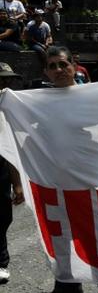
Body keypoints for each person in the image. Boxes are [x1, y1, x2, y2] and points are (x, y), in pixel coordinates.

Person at [44, 46, 98, 292]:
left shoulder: (94, 97)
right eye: (53, 66)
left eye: (63, 64)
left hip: (92, 188)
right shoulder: (36, 103)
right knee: (62, 248)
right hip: (57, 190)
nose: (59, 70)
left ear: (74, 66)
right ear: (45, 72)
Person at [0, 63, 25, 284]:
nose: (5, 83)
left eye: (7, 80)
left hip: (1, 172)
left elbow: (12, 148)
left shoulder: (10, 107)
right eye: (1, 79)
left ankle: (0, 263)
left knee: (2, 217)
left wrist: (17, 183)